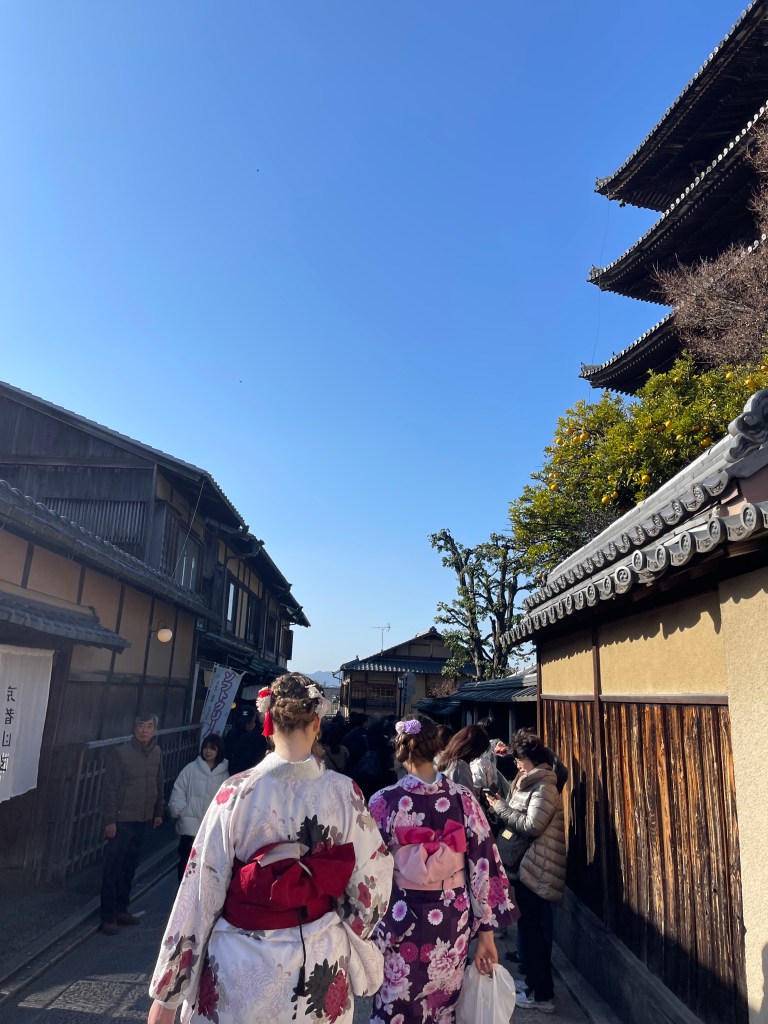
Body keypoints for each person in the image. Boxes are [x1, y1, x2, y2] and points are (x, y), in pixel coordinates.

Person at [147, 673, 393, 1024]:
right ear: (317, 724)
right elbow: (374, 883)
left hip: (240, 962)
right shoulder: (345, 793)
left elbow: (200, 891)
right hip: (319, 962)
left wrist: (168, 995)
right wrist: (340, 924)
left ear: (268, 721)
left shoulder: (235, 792)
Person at [367, 714, 517, 1024]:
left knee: (396, 1003)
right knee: (442, 1007)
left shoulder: (383, 802)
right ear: (437, 747)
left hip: (399, 918)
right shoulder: (462, 799)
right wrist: (486, 933)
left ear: (400, 751)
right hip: (450, 920)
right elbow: (482, 865)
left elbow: (366, 873)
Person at [489, 729, 566, 1014]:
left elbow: (533, 825)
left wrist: (501, 808)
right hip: (529, 865)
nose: (517, 764)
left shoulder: (545, 785)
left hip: (537, 866)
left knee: (534, 934)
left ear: (531, 758)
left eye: (520, 759)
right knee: (529, 929)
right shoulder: (532, 782)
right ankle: (534, 985)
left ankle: (542, 995)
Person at [100, 713, 164, 935]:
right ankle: (108, 915)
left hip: (142, 817)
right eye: (140, 726)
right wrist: (109, 819)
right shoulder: (121, 753)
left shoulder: (156, 752)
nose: (144, 730)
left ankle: (121, 909)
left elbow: (158, 782)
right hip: (121, 818)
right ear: (133, 728)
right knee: (113, 868)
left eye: (149, 726)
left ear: (155, 730)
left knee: (130, 867)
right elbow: (109, 788)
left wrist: (158, 811)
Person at [168, 733, 229, 882]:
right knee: (185, 864)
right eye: (205, 748)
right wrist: (182, 810)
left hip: (211, 826)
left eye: (212, 748)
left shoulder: (225, 774)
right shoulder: (191, 769)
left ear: (219, 751)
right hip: (190, 826)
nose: (208, 751)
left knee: (206, 866)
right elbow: (179, 790)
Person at [435, 723, 490, 792]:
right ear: (472, 750)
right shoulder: (460, 766)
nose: (475, 758)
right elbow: (468, 797)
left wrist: (479, 790)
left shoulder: (441, 759)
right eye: (478, 754)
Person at [226, 705, 267, 775]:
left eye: (249, 722)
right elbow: (227, 753)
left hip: (257, 772)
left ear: (254, 717)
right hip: (237, 773)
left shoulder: (262, 734)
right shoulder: (233, 734)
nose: (246, 725)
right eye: (243, 722)